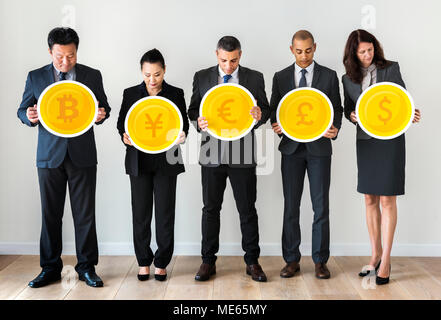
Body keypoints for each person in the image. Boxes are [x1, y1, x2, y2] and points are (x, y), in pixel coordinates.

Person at [17, 27, 111, 288]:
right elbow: (22, 109)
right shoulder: (36, 77)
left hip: (82, 154)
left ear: (76, 51)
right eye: (60, 56)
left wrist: (101, 114)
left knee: (85, 215)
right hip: (49, 156)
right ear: (50, 52)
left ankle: (87, 267)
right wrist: (29, 116)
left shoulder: (92, 75)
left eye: (70, 56)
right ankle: (49, 268)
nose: (65, 62)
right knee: (50, 214)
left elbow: (103, 107)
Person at [187, 36, 270, 282]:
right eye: (224, 60)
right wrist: (198, 123)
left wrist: (259, 114)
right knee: (210, 209)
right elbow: (193, 110)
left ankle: (252, 261)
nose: (228, 66)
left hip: (242, 153)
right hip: (211, 152)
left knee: (247, 209)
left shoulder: (254, 77)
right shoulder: (202, 76)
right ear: (216, 55)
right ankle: (207, 261)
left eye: (233, 61)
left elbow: (266, 109)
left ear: (240, 55)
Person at [342, 29, 421, 285]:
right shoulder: (347, 78)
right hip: (366, 141)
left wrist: (411, 114)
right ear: (353, 54)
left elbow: (402, 100)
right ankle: (374, 254)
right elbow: (347, 108)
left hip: (390, 140)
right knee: (369, 198)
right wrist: (351, 115)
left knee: (387, 199)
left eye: (370, 50)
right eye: (362, 52)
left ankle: (386, 259)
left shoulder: (391, 68)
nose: (367, 55)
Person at [270, 30, 343, 279]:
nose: (304, 56)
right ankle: (291, 260)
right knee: (291, 206)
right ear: (291, 49)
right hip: (291, 149)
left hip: (320, 150)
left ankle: (320, 261)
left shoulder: (329, 76)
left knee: (321, 207)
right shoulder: (280, 77)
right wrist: (276, 126)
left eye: (308, 50)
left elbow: (336, 108)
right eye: (299, 51)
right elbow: (275, 110)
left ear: (315, 47)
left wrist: (335, 129)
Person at [117, 49, 189, 282]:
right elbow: (122, 124)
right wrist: (125, 136)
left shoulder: (176, 93)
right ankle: (143, 262)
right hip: (139, 159)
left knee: (165, 213)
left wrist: (183, 135)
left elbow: (183, 124)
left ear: (164, 70)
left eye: (157, 74)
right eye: (147, 74)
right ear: (141, 71)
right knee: (140, 213)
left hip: (167, 160)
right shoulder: (130, 93)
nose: (152, 80)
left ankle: (162, 262)